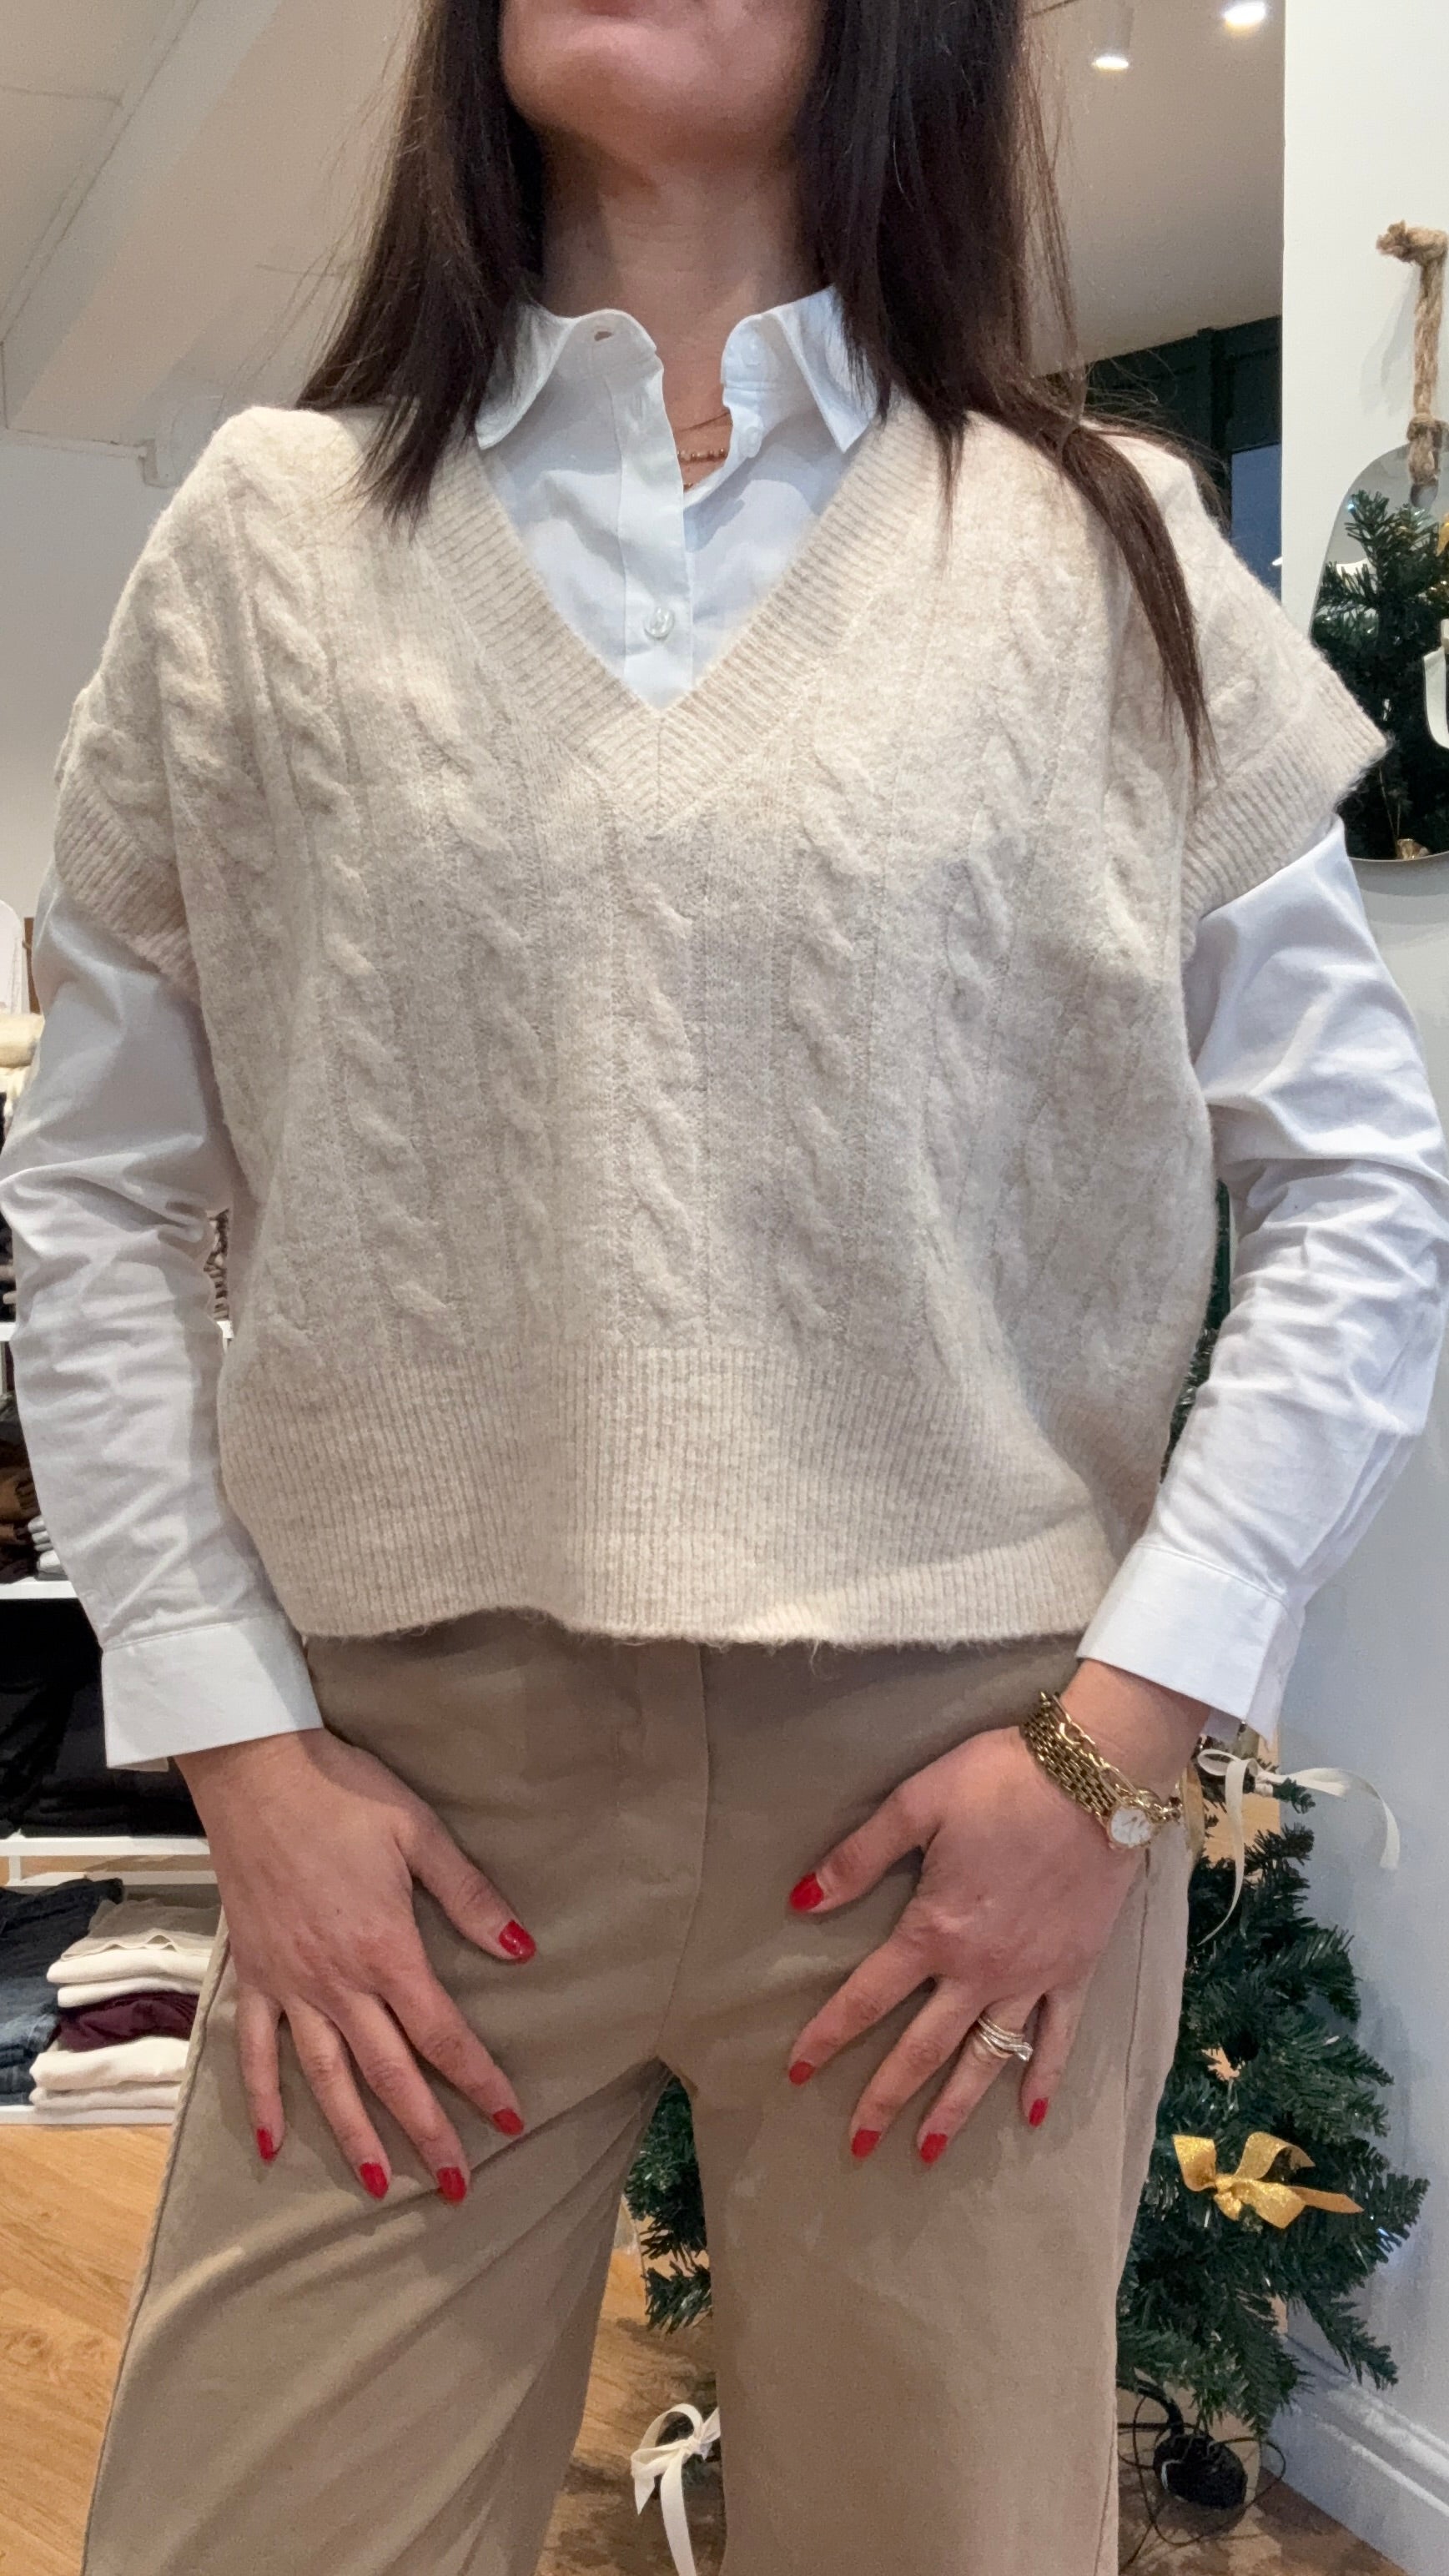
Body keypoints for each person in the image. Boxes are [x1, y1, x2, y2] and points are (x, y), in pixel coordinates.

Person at [3, 3, 1448, 2570]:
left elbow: (1359, 1189)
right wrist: (235, 1752)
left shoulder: (1105, 545)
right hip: (405, 1798)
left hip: (963, 1793)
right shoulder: (264, 539)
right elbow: (98, 1197)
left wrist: (1115, 1750)